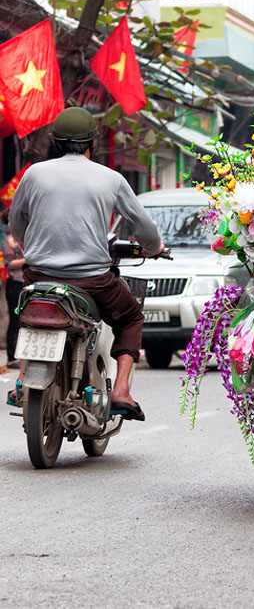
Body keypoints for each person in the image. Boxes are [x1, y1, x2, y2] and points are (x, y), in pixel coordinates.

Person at [8, 107, 163, 420]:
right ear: (94, 142)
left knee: (29, 316)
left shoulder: (34, 174)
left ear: (53, 140)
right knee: (131, 315)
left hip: (38, 277)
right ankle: (120, 390)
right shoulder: (111, 178)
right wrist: (154, 248)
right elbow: (145, 229)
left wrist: (32, 243)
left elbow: (16, 223)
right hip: (92, 282)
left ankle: (23, 380)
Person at [3, 226, 25, 369]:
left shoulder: (26, 241)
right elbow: (9, 264)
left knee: (23, 321)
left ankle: (20, 355)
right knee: (14, 320)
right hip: (14, 284)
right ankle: (11, 357)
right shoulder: (8, 242)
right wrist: (27, 259)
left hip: (25, 283)